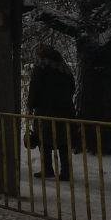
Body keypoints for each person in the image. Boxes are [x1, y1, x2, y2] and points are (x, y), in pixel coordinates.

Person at [26, 44, 75, 180]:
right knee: (64, 142)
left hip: (46, 110)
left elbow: (34, 88)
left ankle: (47, 169)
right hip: (66, 110)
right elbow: (72, 88)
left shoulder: (40, 67)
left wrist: (31, 105)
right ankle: (66, 172)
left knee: (43, 140)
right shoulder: (65, 69)